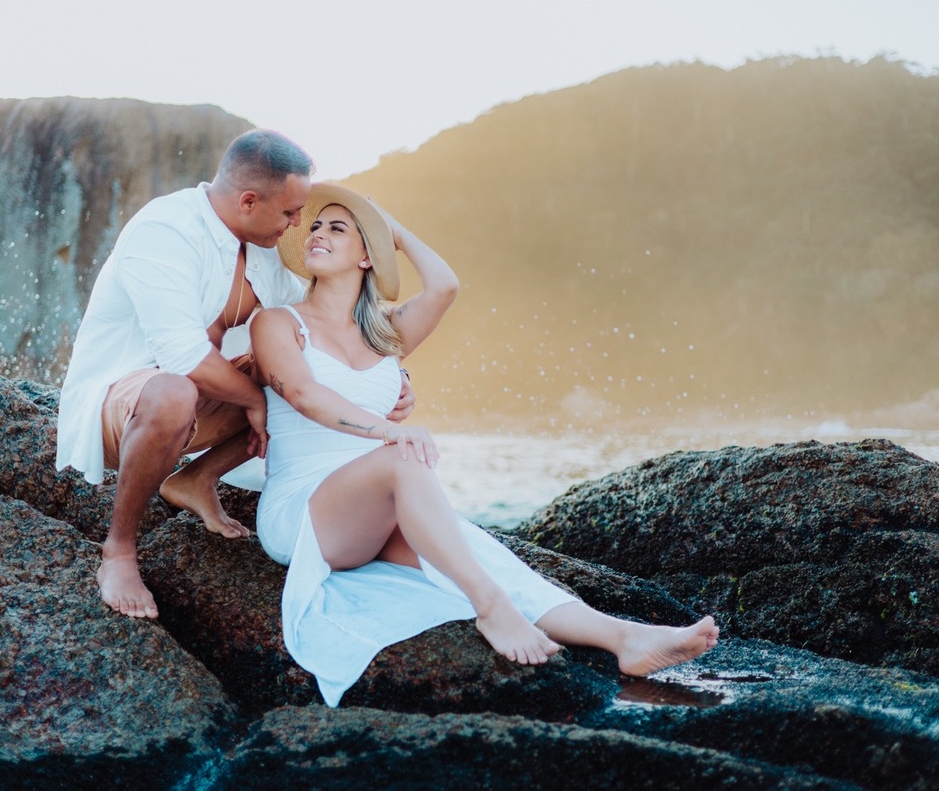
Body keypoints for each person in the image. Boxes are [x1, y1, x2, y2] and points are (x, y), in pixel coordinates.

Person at [250, 183, 720, 706]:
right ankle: (491, 608)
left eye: (338, 228)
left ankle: (623, 638)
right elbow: (303, 394)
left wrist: (391, 231)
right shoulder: (279, 322)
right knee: (405, 463)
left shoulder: (385, 332)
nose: (317, 233)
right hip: (304, 512)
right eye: (315, 226)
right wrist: (388, 430)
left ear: (367, 256)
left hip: (369, 510)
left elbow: (444, 286)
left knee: (479, 552)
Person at [55, 130, 414, 619]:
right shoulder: (165, 230)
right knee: (175, 392)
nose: (297, 225)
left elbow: (319, 326)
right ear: (248, 201)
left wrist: (392, 377)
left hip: (199, 406)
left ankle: (195, 479)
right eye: (290, 212)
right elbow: (182, 357)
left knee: (288, 360)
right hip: (123, 406)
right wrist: (255, 399)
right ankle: (118, 551)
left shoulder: (261, 249)